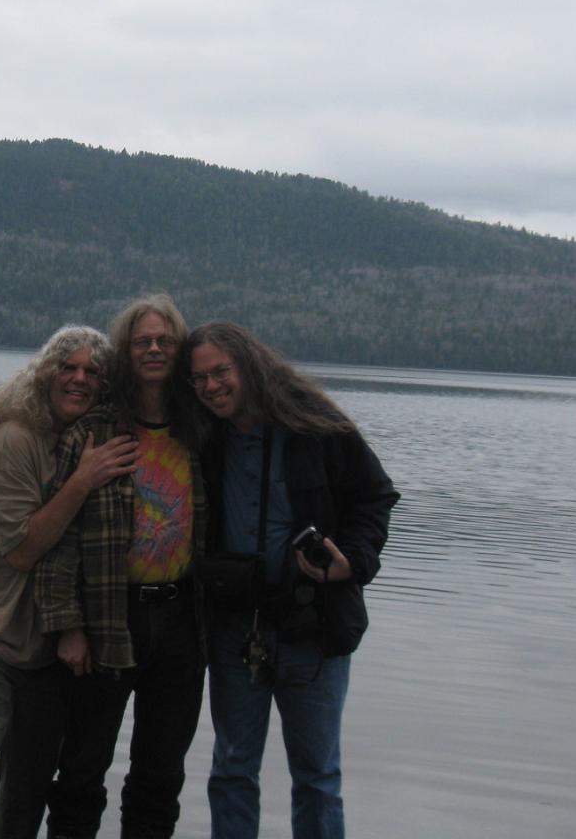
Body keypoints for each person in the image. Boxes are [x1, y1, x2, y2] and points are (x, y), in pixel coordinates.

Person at [180, 322, 398, 839]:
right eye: (199, 379)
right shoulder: (202, 435)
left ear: (249, 365)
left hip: (313, 626)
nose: (211, 386)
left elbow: (375, 496)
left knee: (317, 776)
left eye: (220, 372)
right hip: (236, 629)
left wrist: (352, 562)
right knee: (232, 769)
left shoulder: (316, 425)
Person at [0, 325, 140, 839]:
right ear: (45, 373)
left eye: (92, 371)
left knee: (23, 785)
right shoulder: (13, 438)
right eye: (68, 367)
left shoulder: (69, 442)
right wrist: (83, 480)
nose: (79, 378)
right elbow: (22, 549)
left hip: (40, 642)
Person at [18, 294, 209, 839]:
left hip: (182, 622)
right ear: (126, 351)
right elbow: (59, 541)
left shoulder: (200, 430)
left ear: (178, 349)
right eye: (142, 340)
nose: (154, 349)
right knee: (81, 770)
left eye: (164, 340)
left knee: (160, 777)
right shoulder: (94, 432)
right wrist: (68, 626)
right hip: (107, 616)